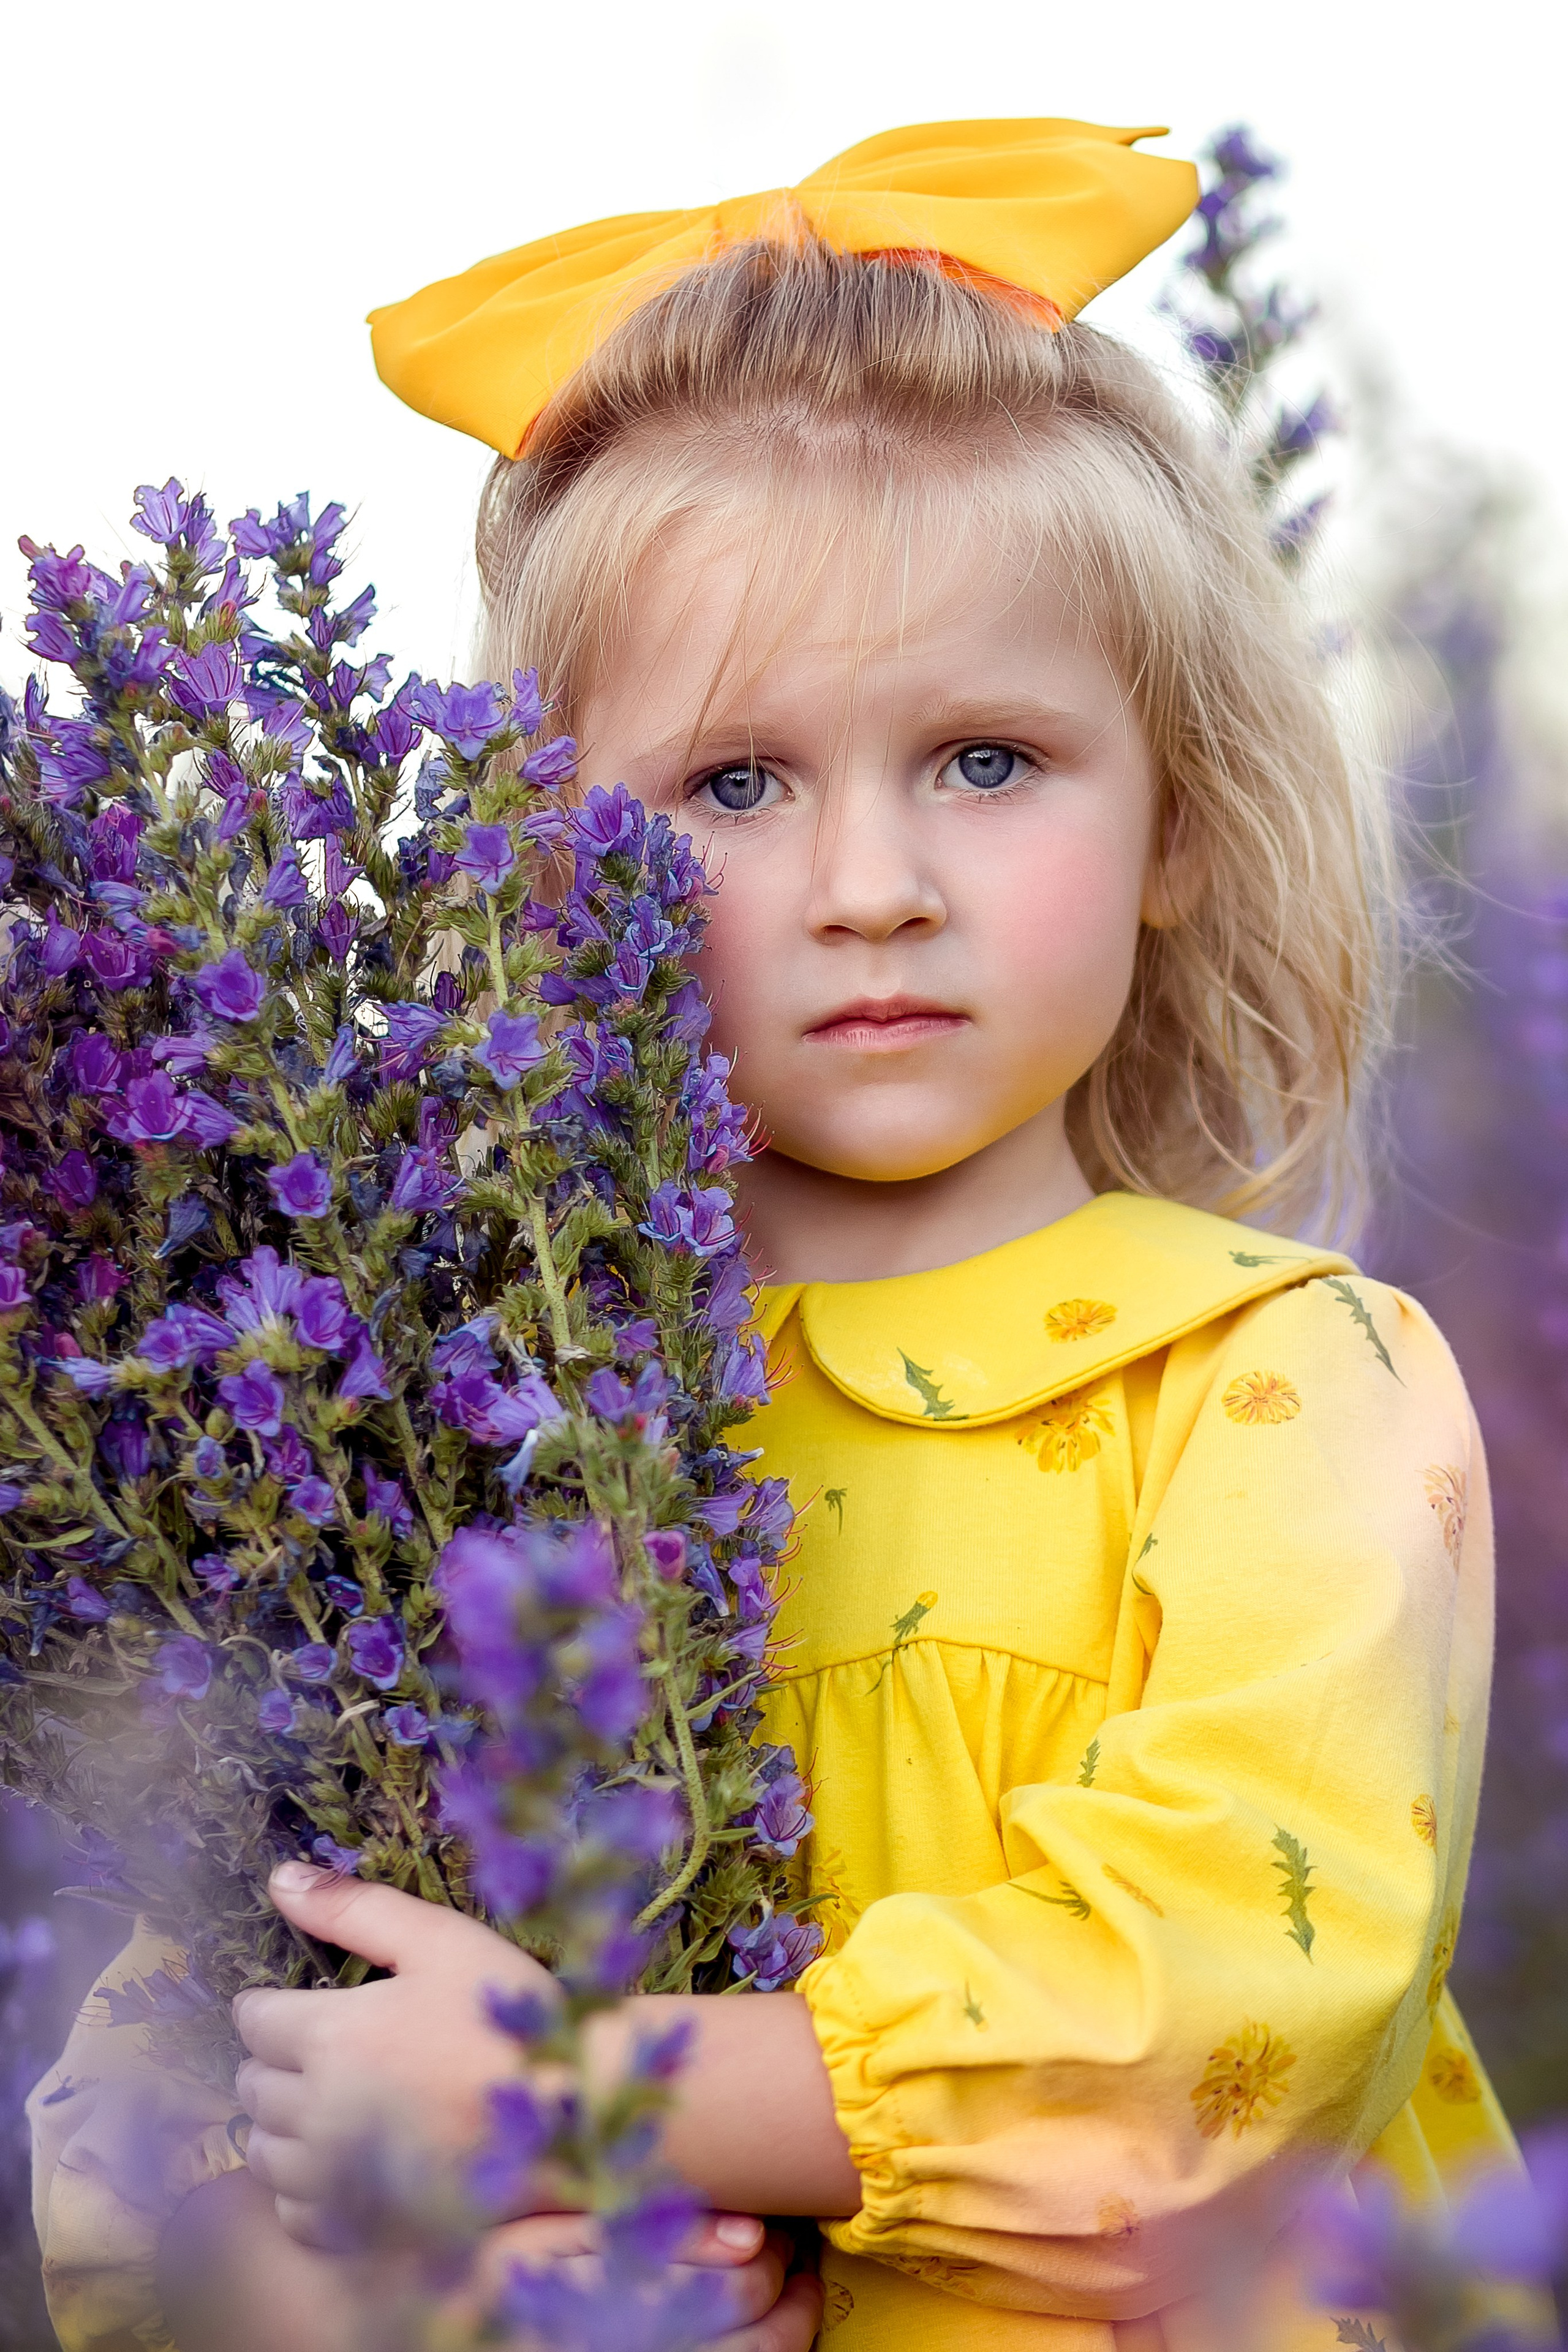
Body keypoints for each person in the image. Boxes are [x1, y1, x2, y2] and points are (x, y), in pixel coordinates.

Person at [30, 119, 1533, 2352]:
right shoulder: (425, 1466)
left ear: (1181, 826)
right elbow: (150, 2133)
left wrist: (597, 2105)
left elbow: (1232, 2011)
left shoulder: (1281, 1383)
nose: (871, 883)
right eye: (732, 787)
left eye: (990, 758)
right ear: (544, 863)